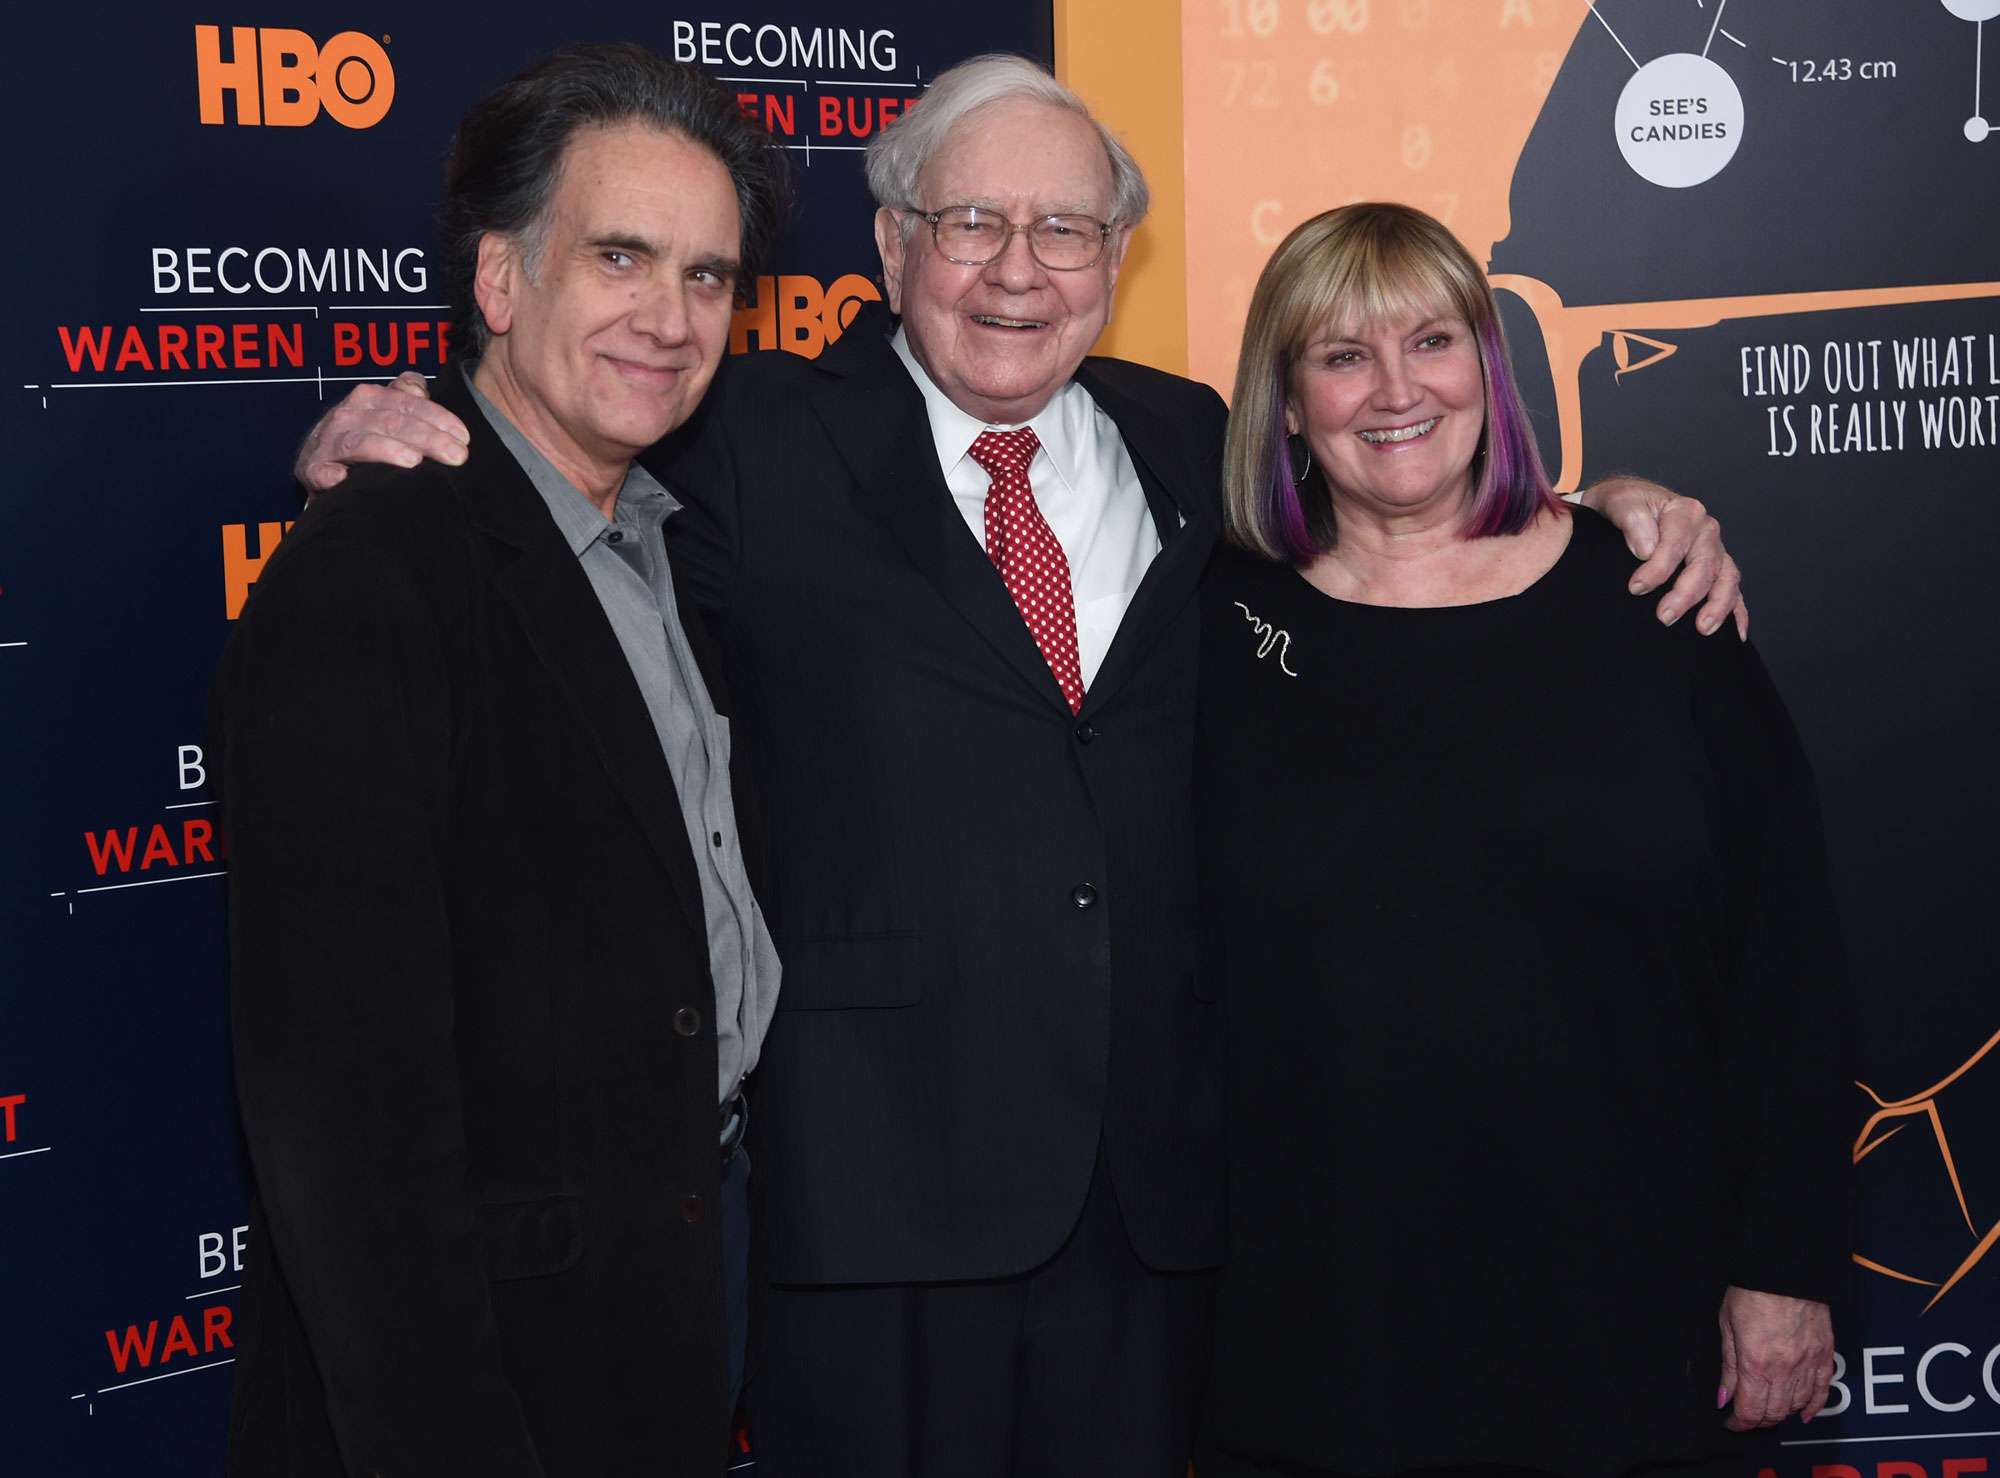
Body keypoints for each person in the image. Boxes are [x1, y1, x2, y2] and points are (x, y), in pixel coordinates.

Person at [287, 56, 1748, 1478]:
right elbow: (563, 432)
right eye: (969, 224)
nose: (1015, 272)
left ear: (1117, 256)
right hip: (872, 1222)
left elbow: (1407, 510)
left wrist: (1610, 509)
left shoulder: (1197, 442)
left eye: (1065, 229)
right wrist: (384, 428)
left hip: (1159, 1213)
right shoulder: (754, 434)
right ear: (892, 243)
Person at [1197, 202, 1852, 1478]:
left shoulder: (1652, 598)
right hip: (1318, 1338)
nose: (1393, 390)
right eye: (1340, 356)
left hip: (1630, 1321)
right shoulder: (1211, 628)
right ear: (1282, 403)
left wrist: (1782, 1267)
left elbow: (1789, 963)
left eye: (1431, 341)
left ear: (1485, 370)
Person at [211, 45, 787, 1477]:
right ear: (501, 281)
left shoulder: (671, 537)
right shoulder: (376, 580)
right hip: (485, 1376)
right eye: (622, 256)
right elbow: (345, 1135)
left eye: (708, 275)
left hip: (667, 1292)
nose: (669, 317)